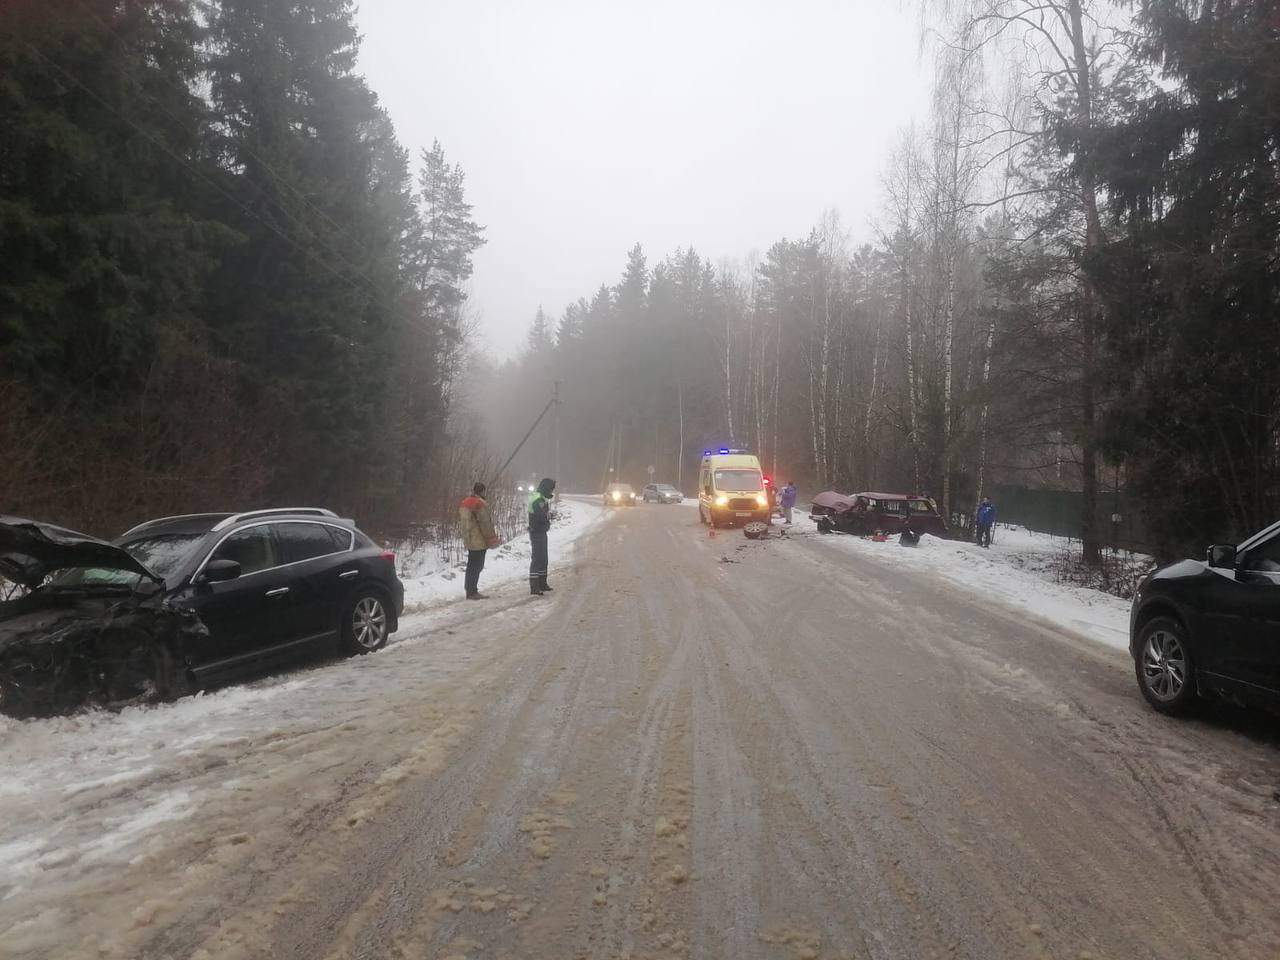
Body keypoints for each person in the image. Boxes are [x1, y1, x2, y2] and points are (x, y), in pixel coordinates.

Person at [459, 482, 499, 599]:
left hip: (469, 537)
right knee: (477, 565)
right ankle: (472, 592)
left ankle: (469, 590)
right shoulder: (479, 504)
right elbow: (485, 522)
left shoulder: (465, 502)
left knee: (471, 565)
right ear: (482, 491)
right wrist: (491, 538)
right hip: (478, 539)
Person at [528, 477, 556, 596]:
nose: (551, 492)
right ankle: (534, 586)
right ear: (545, 488)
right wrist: (549, 516)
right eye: (550, 489)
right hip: (537, 531)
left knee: (543, 558)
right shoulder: (537, 499)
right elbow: (540, 516)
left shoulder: (541, 498)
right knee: (537, 559)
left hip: (541, 531)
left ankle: (542, 583)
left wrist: (548, 515)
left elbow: (543, 513)